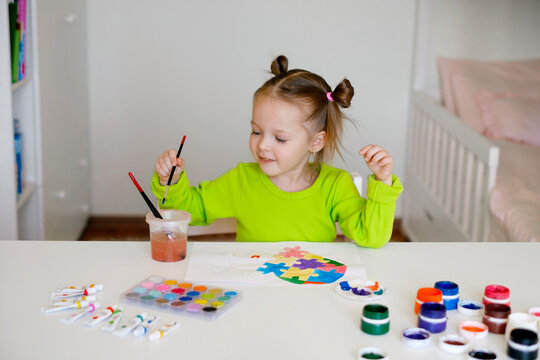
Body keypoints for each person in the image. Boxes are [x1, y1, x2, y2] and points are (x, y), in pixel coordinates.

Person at [151, 55, 402, 247]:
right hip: (254, 298)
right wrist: (170, 183)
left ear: (316, 142)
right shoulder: (242, 181)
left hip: (311, 297)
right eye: (256, 132)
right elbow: (190, 211)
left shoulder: (335, 186)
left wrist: (383, 182)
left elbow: (372, 237)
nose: (263, 145)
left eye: (280, 138)